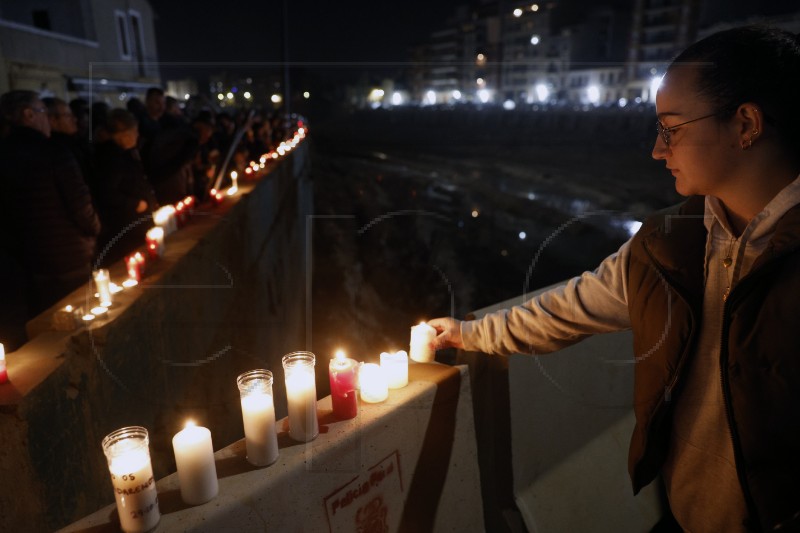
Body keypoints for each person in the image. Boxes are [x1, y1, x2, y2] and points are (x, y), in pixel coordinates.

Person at [429, 25, 800, 532]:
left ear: (746, 125)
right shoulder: (667, 245)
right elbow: (567, 308)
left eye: (671, 128)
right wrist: (467, 333)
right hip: (685, 517)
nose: (656, 149)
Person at [0, 90, 100, 332]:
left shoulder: (3, 155)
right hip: (69, 256)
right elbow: (80, 204)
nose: (47, 119)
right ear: (28, 115)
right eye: (43, 112)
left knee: (49, 329)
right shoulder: (53, 152)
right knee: (84, 324)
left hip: (29, 262)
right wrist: (95, 230)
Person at [93, 109, 158, 266]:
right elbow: (106, 193)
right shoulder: (112, 157)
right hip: (127, 225)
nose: (137, 135)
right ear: (123, 133)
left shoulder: (123, 153)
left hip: (134, 222)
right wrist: (136, 204)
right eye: (134, 131)